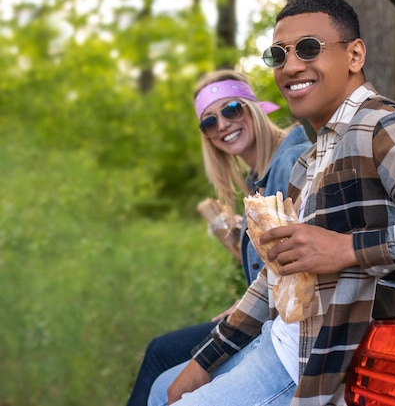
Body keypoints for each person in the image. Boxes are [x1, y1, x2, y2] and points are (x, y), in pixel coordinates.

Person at [151, 0, 395, 406]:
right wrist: (205, 360)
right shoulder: (309, 159)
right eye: (279, 55)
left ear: (354, 55)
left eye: (309, 48)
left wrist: (348, 249)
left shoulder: (382, 129)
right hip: (275, 341)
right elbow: (275, 274)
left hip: (305, 366)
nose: (291, 66)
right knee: (162, 388)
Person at [125, 69, 311, 406]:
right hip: (266, 315)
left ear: (253, 107)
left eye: (231, 110)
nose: (222, 125)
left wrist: (245, 306)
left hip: (284, 332)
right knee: (161, 361)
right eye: (209, 122)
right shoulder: (258, 176)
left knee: (160, 357)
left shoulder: (290, 163)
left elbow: (297, 275)